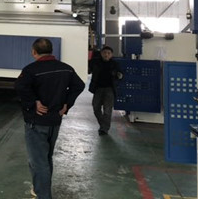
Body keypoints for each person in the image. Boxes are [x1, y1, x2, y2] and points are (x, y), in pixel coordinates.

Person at [15, 38, 85, 199]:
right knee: (46, 158)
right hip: (55, 122)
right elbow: (79, 85)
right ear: (51, 51)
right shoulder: (66, 69)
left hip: (36, 122)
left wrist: (33, 102)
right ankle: (39, 188)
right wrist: (67, 103)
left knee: (38, 162)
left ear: (34, 52)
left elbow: (19, 86)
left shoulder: (30, 70)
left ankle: (43, 195)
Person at [88, 45, 123, 136]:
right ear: (101, 53)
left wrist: (118, 75)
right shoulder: (95, 62)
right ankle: (103, 125)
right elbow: (88, 70)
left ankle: (104, 129)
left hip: (109, 89)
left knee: (107, 110)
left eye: (108, 53)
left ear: (111, 55)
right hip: (98, 89)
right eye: (104, 53)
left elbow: (120, 74)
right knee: (96, 108)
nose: (106, 55)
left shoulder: (115, 64)